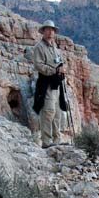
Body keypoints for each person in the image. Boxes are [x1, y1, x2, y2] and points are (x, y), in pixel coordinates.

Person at [32, 20, 69, 148]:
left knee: (58, 112)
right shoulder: (39, 47)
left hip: (56, 84)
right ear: (43, 31)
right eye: (48, 29)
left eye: (52, 30)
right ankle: (46, 142)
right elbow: (39, 65)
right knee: (48, 111)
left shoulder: (56, 48)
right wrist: (54, 70)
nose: (50, 32)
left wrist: (62, 70)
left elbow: (60, 63)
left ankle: (57, 140)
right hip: (46, 84)